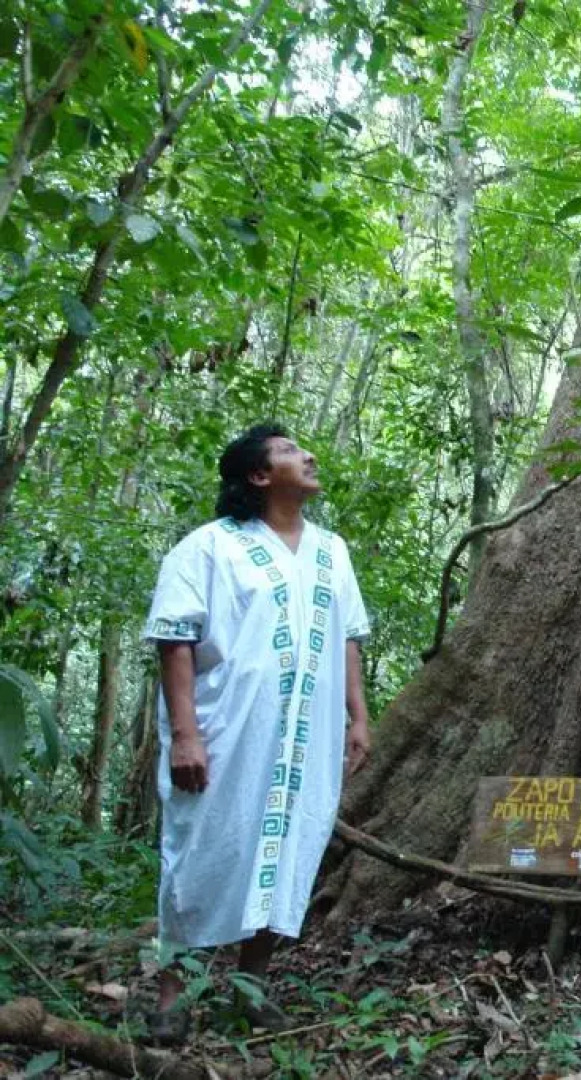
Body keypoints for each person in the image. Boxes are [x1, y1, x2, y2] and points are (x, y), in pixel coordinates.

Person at [141, 424, 372, 1044]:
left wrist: (358, 717)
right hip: (226, 732)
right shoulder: (208, 547)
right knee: (200, 852)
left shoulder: (332, 551)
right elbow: (175, 638)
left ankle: (253, 987)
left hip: (305, 737)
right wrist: (185, 735)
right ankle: (171, 995)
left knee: (288, 850)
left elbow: (347, 634)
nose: (310, 455)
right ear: (260, 476)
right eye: (292, 452)